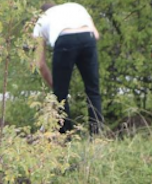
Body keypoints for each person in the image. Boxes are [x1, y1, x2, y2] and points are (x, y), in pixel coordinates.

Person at [33, 2, 103, 134]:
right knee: (93, 90)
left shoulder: (41, 21)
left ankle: (65, 137)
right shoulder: (76, 7)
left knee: (61, 95)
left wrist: (56, 86)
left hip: (65, 39)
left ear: (42, 12)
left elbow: (40, 64)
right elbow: (96, 35)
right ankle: (97, 135)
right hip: (88, 37)